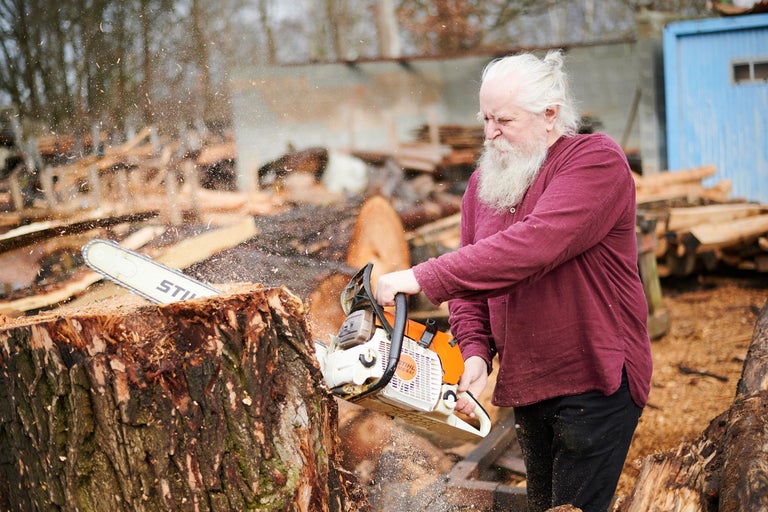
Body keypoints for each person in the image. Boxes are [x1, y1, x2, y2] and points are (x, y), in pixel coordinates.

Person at [373, 50, 653, 512]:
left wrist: (422, 275)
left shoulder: (594, 161)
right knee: (544, 505)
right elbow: (472, 277)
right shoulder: (486, 182)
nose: (489, 133)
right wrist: (477, 352)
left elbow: (533, 246)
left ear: (549, 115)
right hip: (529, 381)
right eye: (485, 118)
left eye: (503, 119)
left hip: (595, 377)